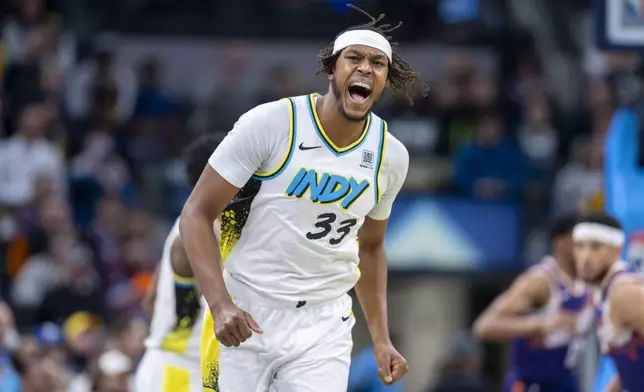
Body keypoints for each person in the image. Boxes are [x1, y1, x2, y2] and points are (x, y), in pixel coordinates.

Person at [180, 5, 429, 391]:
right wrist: (220, 303)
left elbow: (372, 248)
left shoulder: (391, 156)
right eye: (354, 58)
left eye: (378, 63)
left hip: (324, 322)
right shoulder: (272, 123)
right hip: (249, 307)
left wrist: (380, 339)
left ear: (385, 81)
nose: (365, 68)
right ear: (333, 69)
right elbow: (196, 213)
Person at [135, 134, 222, 392]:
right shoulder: (205, 230)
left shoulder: (187, 224)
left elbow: (149, 302)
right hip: (180, 373)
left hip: (172, 365)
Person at [473, 212, 594, 392]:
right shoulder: (540, 282)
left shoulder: (588, 283)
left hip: (566, 382)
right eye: (580, 241)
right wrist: (539, 324)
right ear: (560, 242)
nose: (588, 249)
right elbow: (484, 327)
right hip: (531, 383)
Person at [573, 213, 644, 392]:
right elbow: (633, 366)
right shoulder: (605, 293)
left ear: (617, 249)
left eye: (596, 247)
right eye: (579, 246)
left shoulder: (623, 293)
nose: (585, 257)